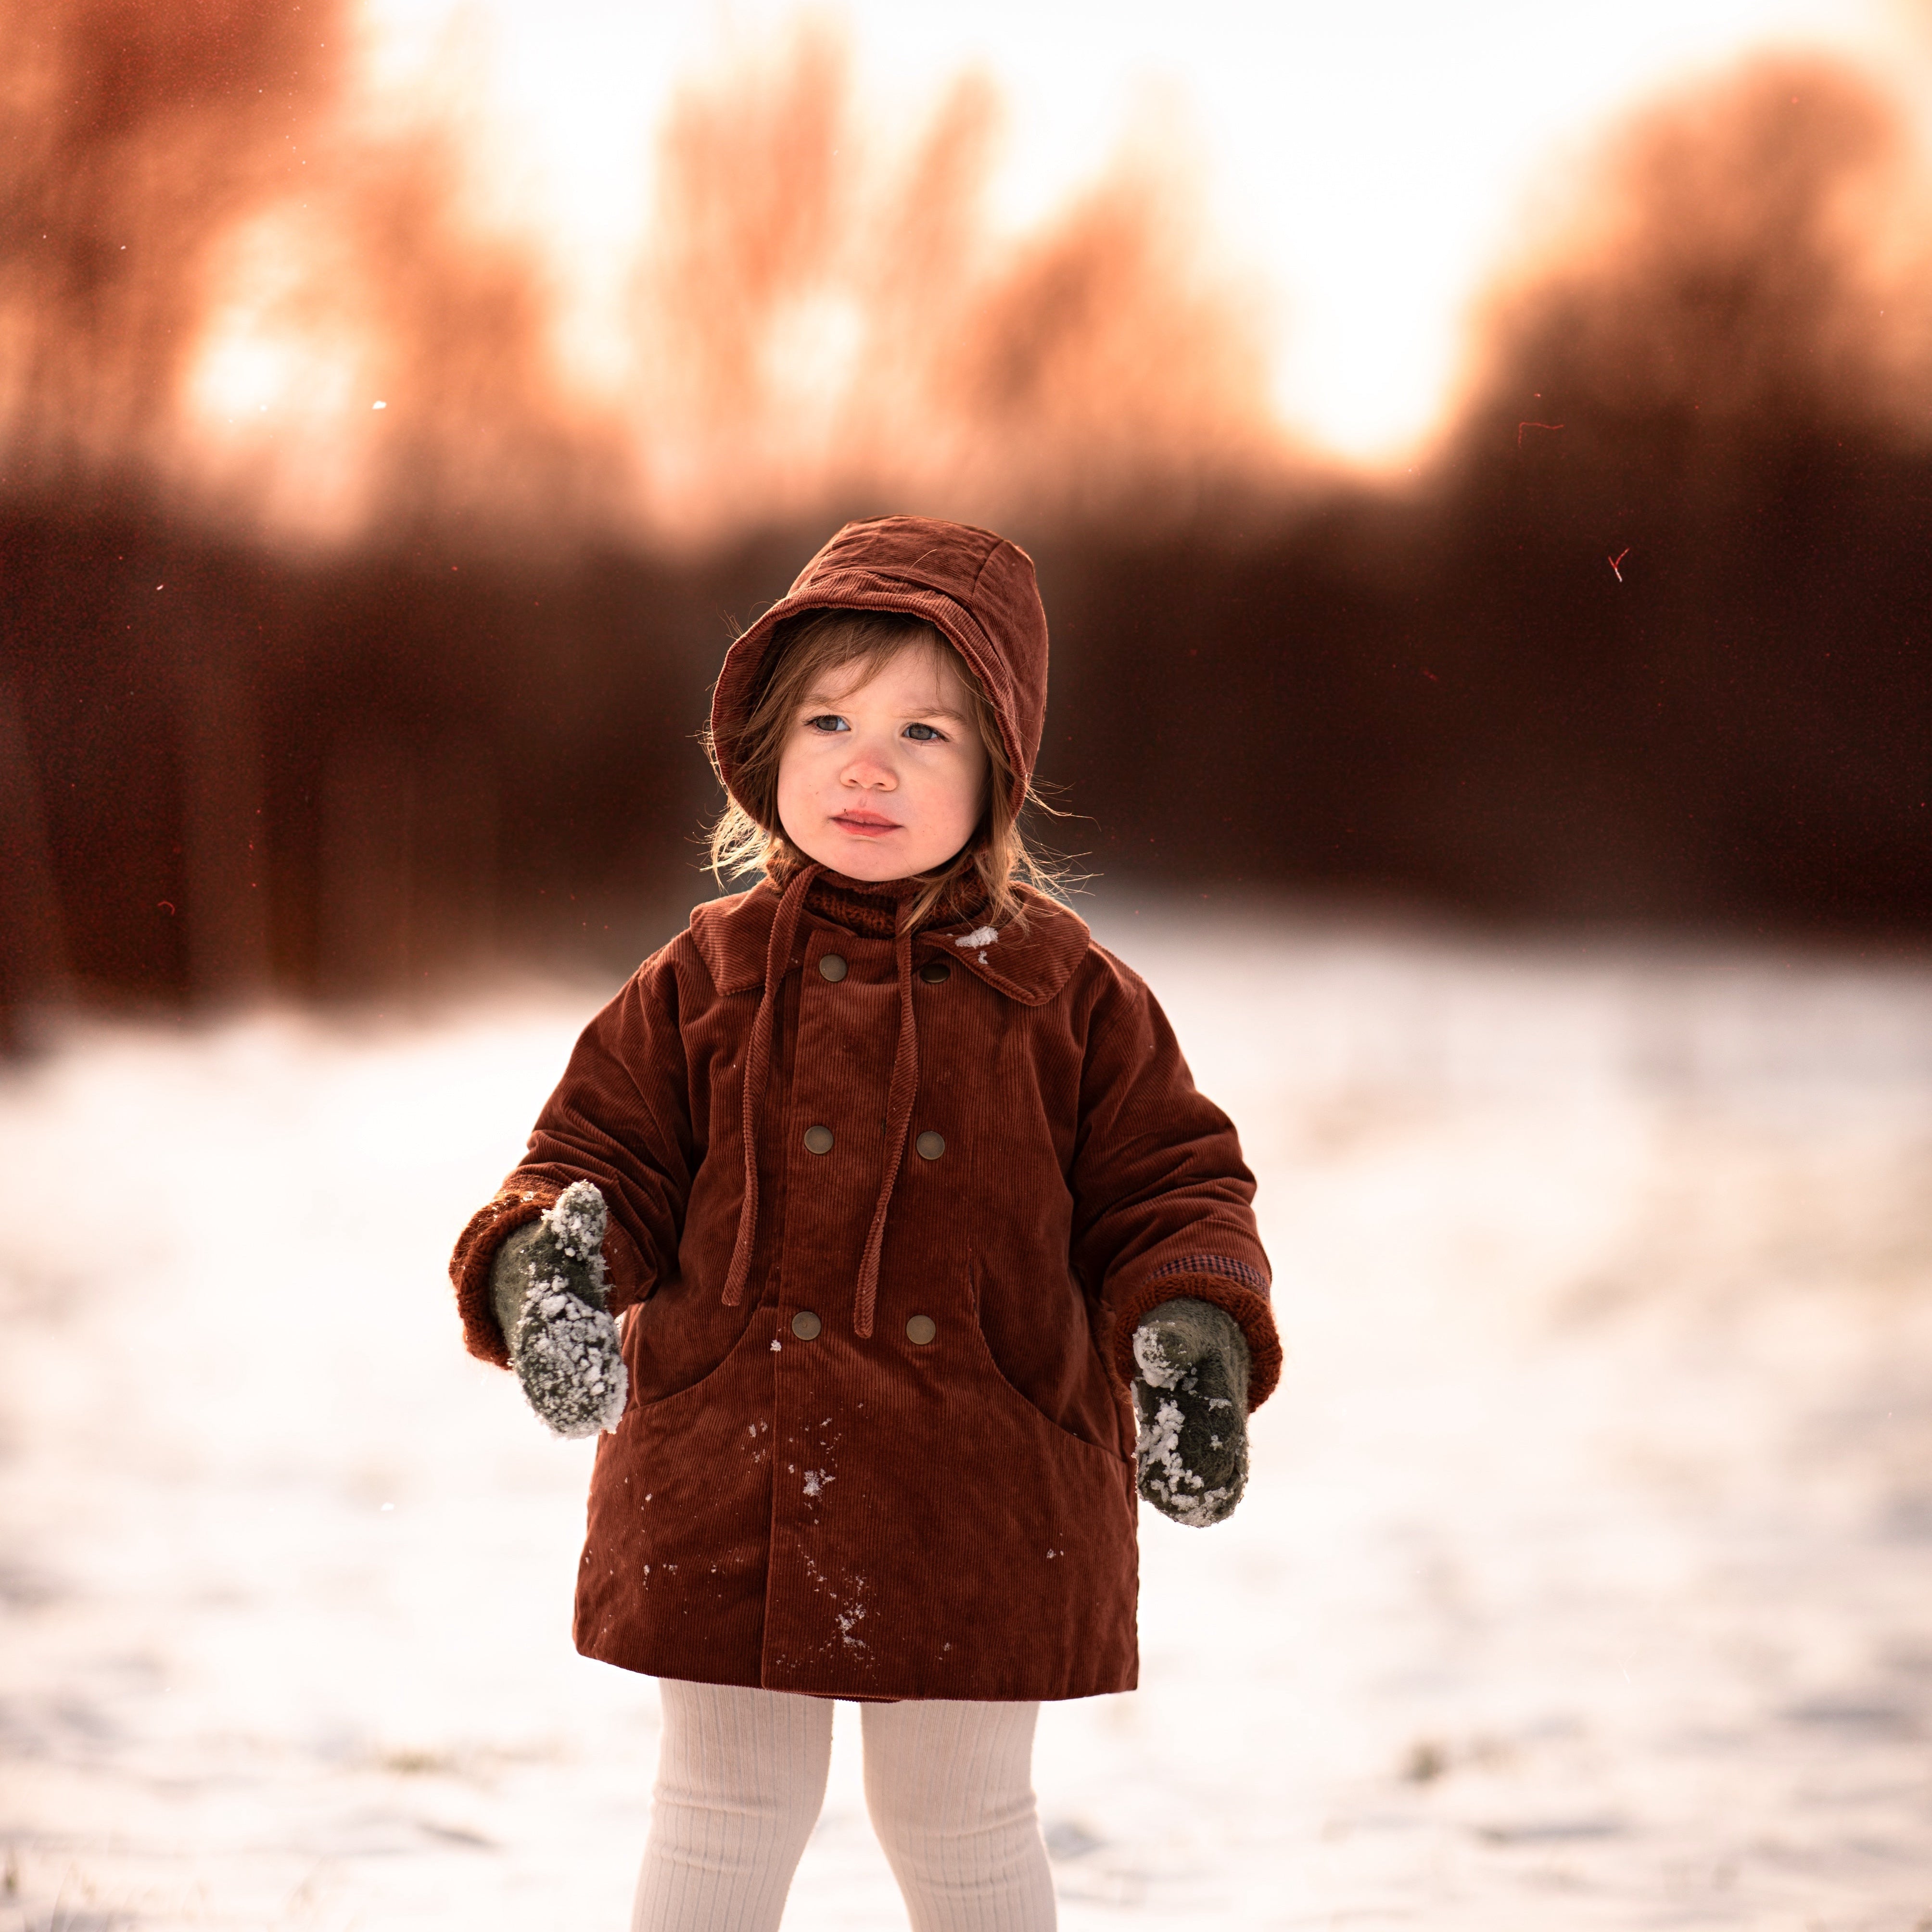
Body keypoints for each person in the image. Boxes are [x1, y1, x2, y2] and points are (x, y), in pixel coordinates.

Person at [449, 514, 1280, 1932]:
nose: (868, 759)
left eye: (927, 731)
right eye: (830, 716)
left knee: (958, 1812)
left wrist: (1190, 1328)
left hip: (984, 1469)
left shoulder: (1069, 994)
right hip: (734, 1456)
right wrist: (550, 1274)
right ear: (769, 748)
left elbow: (1172, 1183)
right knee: (724, 1799)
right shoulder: (705, 976)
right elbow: (599, 1158)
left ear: (1001, 772)